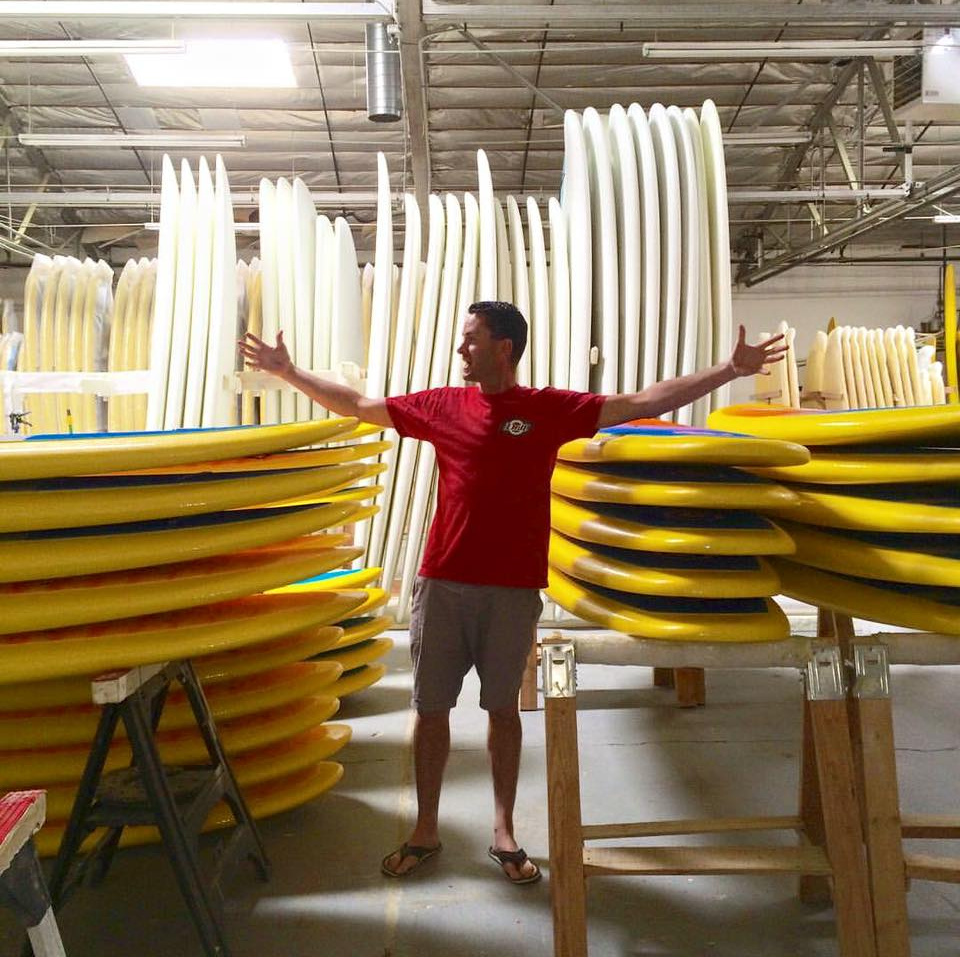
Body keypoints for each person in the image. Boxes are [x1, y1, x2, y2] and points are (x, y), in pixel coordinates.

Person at [239, 301, 785, 885]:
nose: (460, 350)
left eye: (470, 339)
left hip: (512, 591)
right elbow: (363, 407)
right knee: (430, 712)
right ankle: (426, 827)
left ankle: (504, 830)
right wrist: (289, 372)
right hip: (443, 584)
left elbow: (641, 403)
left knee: (503, 710)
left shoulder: (547, 410)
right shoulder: (443, 405)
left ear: (505, 346)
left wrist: (729, 370)